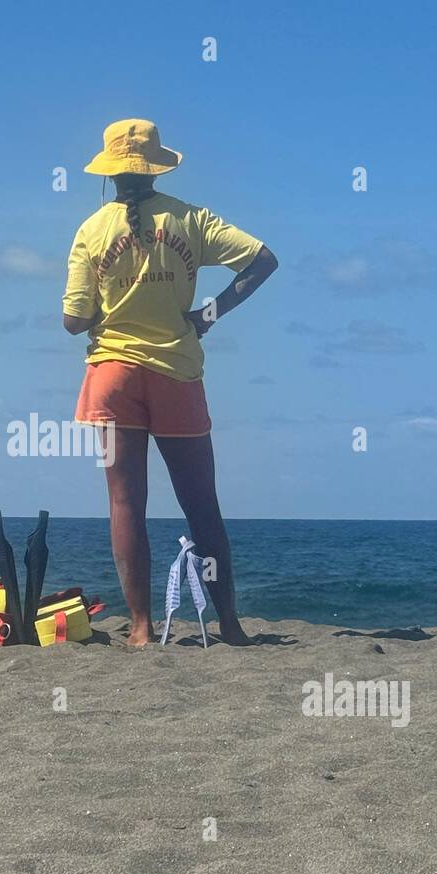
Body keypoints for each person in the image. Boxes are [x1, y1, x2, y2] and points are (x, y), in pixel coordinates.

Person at [63, 119, 277, 646]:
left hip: (113, 375)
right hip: (177, 372)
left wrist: (105, 309)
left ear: (110, 171)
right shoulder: (191, 219)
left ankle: (139, 626)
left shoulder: (92, 230)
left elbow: (73, 319)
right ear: (156, 166)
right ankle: (228, 622)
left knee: (125, 504)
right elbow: (262, 260)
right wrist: (210, 312)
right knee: (202, 504)